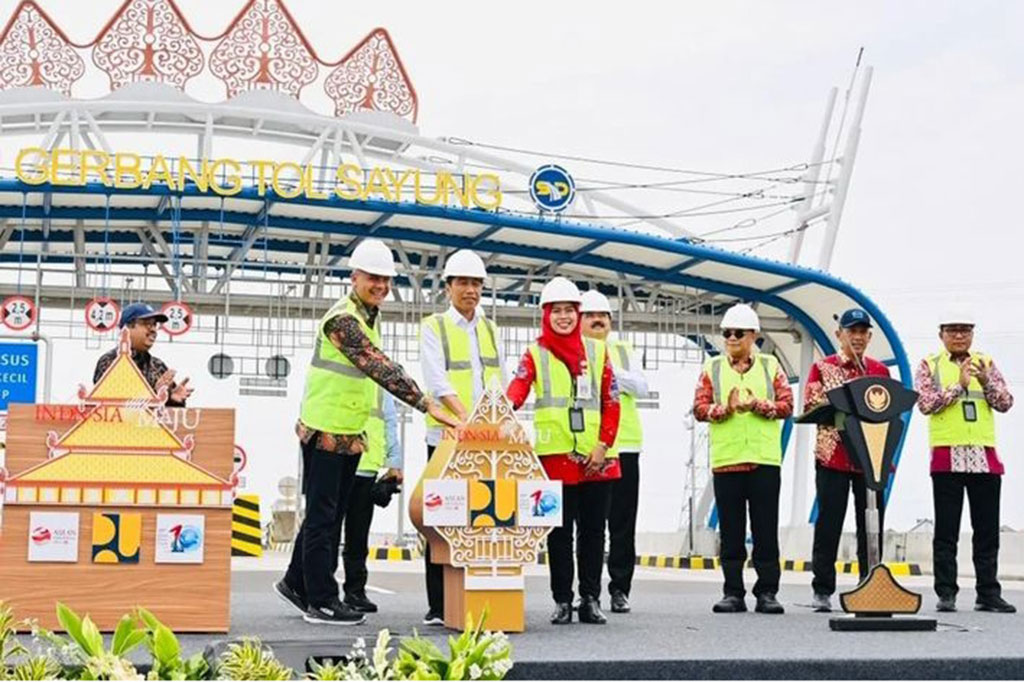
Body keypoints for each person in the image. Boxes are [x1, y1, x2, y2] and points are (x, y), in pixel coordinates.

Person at [274, 238, 459, 626]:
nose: (380, 286)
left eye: (386, 280)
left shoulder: (370, 316)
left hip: (349, 432)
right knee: (325, 518)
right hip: (325, 430)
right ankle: (321, 600)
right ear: (354, 277)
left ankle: (295, 582)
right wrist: (428, 405)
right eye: (373, 278)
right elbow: (380, 367)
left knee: (328, 514)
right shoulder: (343, 320)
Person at [506, 277, 620, 625]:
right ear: (546, 314)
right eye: (557, 311)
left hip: (596, 458)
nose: (564, 317)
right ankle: (562, 600)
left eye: (570, 311)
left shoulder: (598, 351)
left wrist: (603, 444)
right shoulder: (535, 353)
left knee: (593, 532)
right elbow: (518, 388)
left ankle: (590, 598)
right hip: (554, 459)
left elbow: (611, 400)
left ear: (578, 313)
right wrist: (500, 411)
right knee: (557, 532)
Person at [418, 249, 503, 626]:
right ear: (448, 286)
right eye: (463, 283)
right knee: (442, 518)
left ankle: (473, 595)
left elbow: (495, 380)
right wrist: (467, 420)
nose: (470, 290)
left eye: (476, 283)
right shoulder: (433, 326)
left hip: (484, 440)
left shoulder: (489, 328)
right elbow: (438, 380)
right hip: (447, 437)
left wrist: (496, 421)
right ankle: (439, 604)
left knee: (481, 519)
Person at [692, 303, 792, 614]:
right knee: (731, 531)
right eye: (727, 334)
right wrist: (727, 409)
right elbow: (699, 409)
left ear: (754, 336)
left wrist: (758, 405)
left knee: (765, 529)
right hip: (728, 460)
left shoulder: (771, 366)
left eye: (738, 333)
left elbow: (787, 406)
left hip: (764, 460)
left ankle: (767, 592)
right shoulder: (713, 369)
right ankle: (733, 591)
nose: (731, 339)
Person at [915, 312, 1015, 613]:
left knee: (987, 530)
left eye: (965, 330)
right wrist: (958, 386)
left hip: (984, 457)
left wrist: (986, 382)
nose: (959, 336)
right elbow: (925, 404)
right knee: (946, 530)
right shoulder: (929, 365)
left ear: (972, 333)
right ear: (941, 334)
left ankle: (988, 592)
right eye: (953, 330)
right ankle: (946, 593)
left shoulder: (985, 362)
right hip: (947, 456)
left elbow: (1006, 402)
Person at [805, 308, 890, 613]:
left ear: (869, 337)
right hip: (834, 457)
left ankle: (869, 583)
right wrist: (843, 400)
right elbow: (811, 403)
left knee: (871, 523)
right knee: (830, 521)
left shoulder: (879, 371)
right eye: (851, 331)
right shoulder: (823, 368)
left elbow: (887, 409)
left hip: (870, 457)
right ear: (839, 335)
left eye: (862, 332)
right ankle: (823, 588)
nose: (857, 337)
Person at [579, 290, 649, 615]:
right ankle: (586, 591)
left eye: (603, 316)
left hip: (624, 447)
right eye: (591, 315)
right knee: (588, 525)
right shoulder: (570, 353)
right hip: (583, 448)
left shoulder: (622, 350)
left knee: (622, 524)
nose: (598, 321)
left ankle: (620, 589)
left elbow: (640, 386)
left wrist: (605, 370)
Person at [338, 390, 403, 614]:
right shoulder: (339, 377)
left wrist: (394, 462)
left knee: (358, 535)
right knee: (326, 531)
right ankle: (319, 591)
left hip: (366, 467)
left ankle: (355, 592)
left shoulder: (377, 384)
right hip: (335, 462)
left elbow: (390, 422)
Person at [92, 302, 193, 406]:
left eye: (154, 324)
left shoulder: (158, 366)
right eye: (147, 324)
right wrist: (154, 394)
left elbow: (169, 416)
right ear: (128, 327)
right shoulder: (110, 361)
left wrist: (172, 400)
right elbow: (114, 406)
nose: (153, 329)